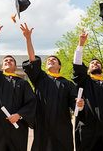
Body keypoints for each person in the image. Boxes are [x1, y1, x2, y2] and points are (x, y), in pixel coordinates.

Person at [20, 23, 84, 151]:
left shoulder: (67, 84)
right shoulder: (40, 78)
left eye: (54, 60)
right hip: (42, 124)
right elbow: (32, 60)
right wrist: (28, 39)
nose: (50, 60)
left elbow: (74, 103)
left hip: (62, 126)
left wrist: (80, 104)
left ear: (59, 66)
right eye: (48, 60)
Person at [0, 19, 36, 151]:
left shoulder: (23, 83)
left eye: (11, 61)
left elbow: (31, 103)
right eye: (5, 60)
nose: (8, 61)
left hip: (17, 127)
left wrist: (19, 115)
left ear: (16, 67)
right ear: (1, 65)